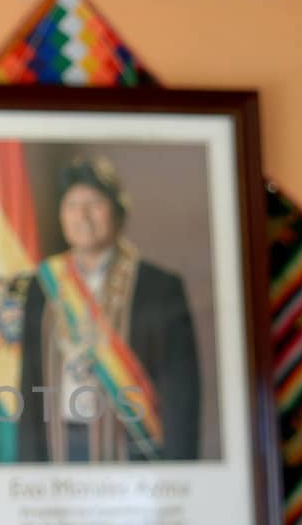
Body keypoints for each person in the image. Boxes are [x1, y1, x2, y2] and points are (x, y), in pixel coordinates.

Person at [16, 154, 202, 463]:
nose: (82, 216)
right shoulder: (42, 285)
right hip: (60, 447)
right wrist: (28, 462)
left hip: (134, 449)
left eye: (94, 204)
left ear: (118, 212)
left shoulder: (159, 287)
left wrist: (181, 469)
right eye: (72, 206)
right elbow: (29, 385)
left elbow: (182, 390)